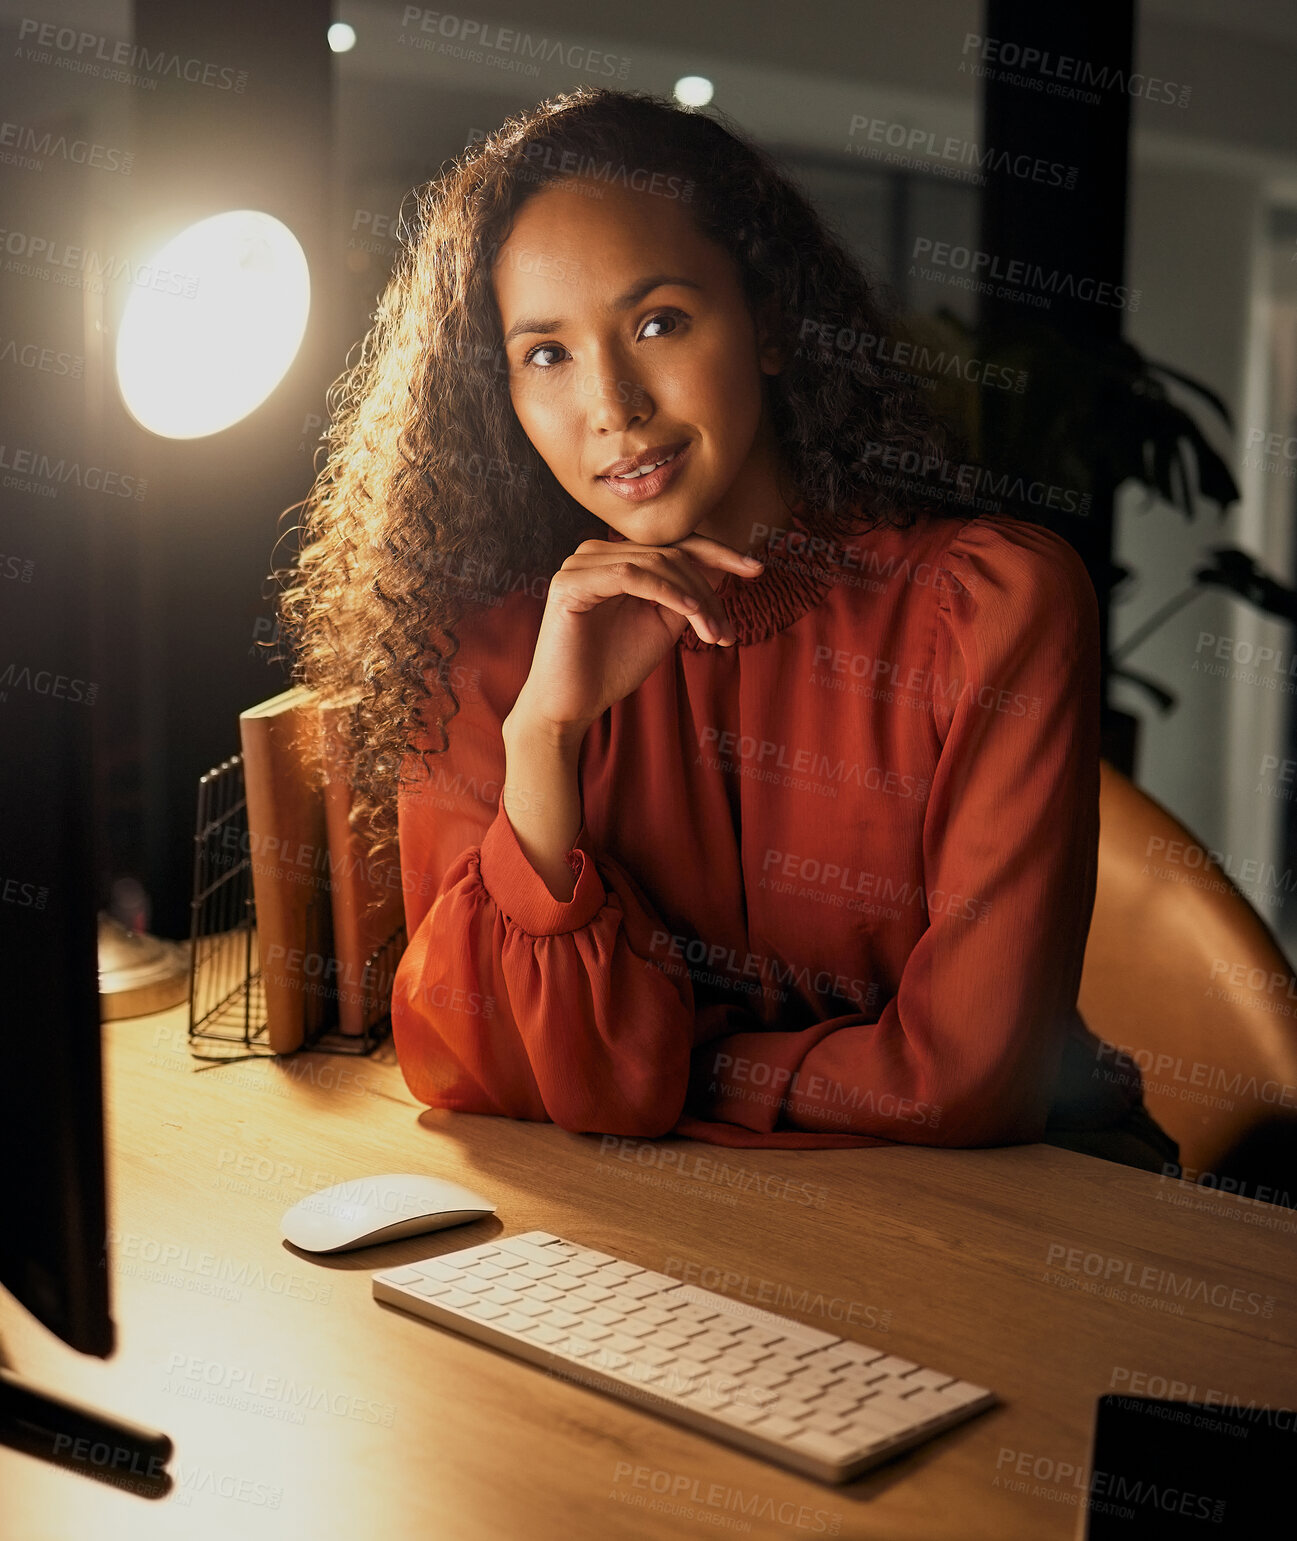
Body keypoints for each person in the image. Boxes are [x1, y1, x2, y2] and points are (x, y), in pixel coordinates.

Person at [277, 86, 1176, 1169]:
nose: (612, 404)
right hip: (679, 1236)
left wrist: (657, 1067)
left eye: (658, 321)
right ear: (498, 398)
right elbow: (474, 1066)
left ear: (772, 326)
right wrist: (543, 739)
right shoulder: (486, 649)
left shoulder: (989, 607)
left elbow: (965, 1081)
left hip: (1014, 1230)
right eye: (545, 354)